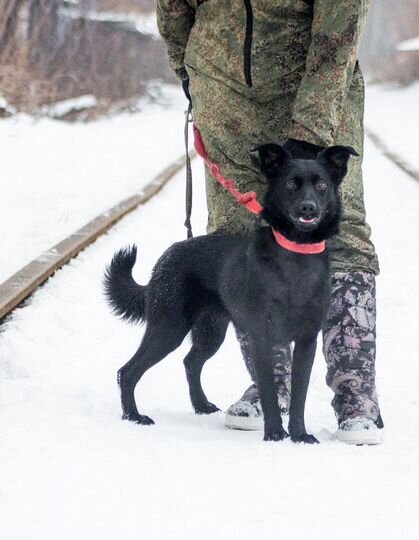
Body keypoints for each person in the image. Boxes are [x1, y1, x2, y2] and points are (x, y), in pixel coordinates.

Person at [157, 0, 383, 444]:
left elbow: (342, 19)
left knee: (340, 233)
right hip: (223, 98)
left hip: (317, 88)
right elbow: (174, 8)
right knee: (239, 237)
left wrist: (313, 126)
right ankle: (270, 387)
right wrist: (191, 72)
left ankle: (356, 396)